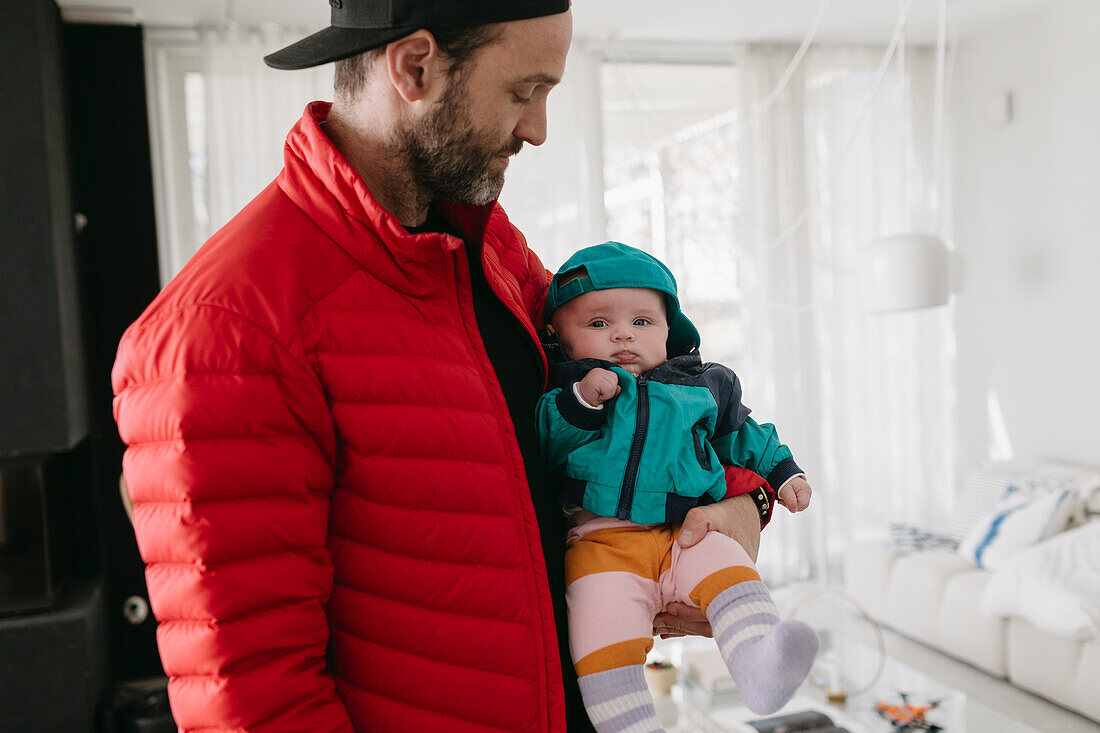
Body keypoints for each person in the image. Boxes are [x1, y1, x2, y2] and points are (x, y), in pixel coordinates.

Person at [112, 1, 775, 730]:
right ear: (415, 66)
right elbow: (252, 698)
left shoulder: (488, 249)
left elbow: (640, 400)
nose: (537, 130)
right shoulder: (226, 331)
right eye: (524, 91)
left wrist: (748, 499)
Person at [536, 242, 816, 730]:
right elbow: (544, 443)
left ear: (670, 331)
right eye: (598, 324)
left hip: (684, 533)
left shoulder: (701, 387)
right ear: (559, 336)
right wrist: (579, 401)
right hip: (601, 543)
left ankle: (758, 663)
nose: (623, 333)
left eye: (642, 322)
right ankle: (629, 722)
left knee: (730, 572)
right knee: (602, 634)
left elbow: (744, 436)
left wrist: (784, 471)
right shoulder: (566, 390)